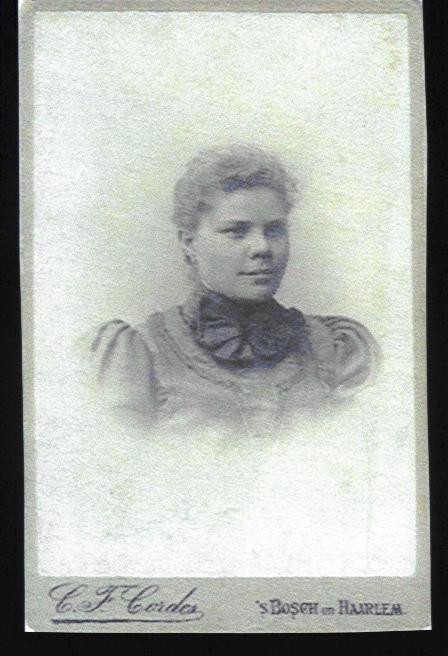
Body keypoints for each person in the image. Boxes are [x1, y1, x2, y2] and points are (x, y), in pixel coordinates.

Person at [91, 144, 381, 438]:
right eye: (236, 231)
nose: (262, 247)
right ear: (189, 243)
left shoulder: (335, 348)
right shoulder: (139, 354)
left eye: (274, 230)